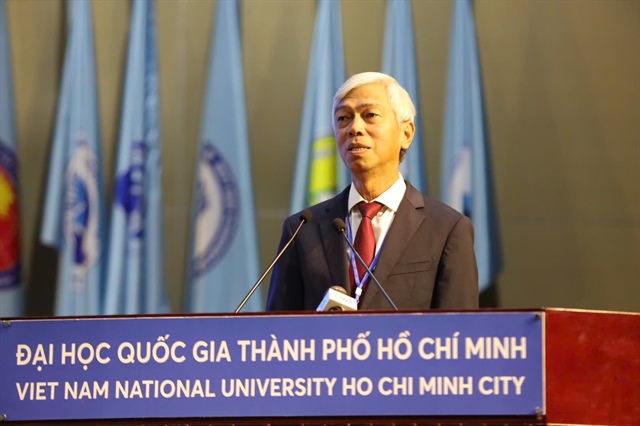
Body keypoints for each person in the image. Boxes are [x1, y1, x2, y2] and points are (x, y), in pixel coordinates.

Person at [266, 72, 478, 311]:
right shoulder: (303, 229)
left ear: (406, 133)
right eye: (343, 118)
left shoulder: (446, 228)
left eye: (370, 115)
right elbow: (277, 333)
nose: (355, 128)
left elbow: (459, 334)